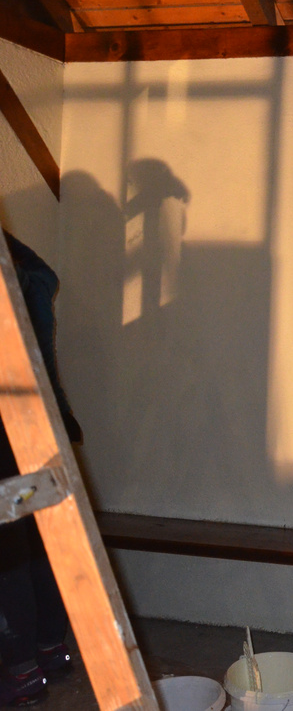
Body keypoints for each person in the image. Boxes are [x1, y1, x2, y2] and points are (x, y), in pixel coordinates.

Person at [0, 232, 79, 707]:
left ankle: (22, 669)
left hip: (8, 435)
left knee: (11, 552)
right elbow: (44, 273)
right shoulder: (28, 275)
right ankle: (49, 649)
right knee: (35, 542)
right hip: (37, 427)